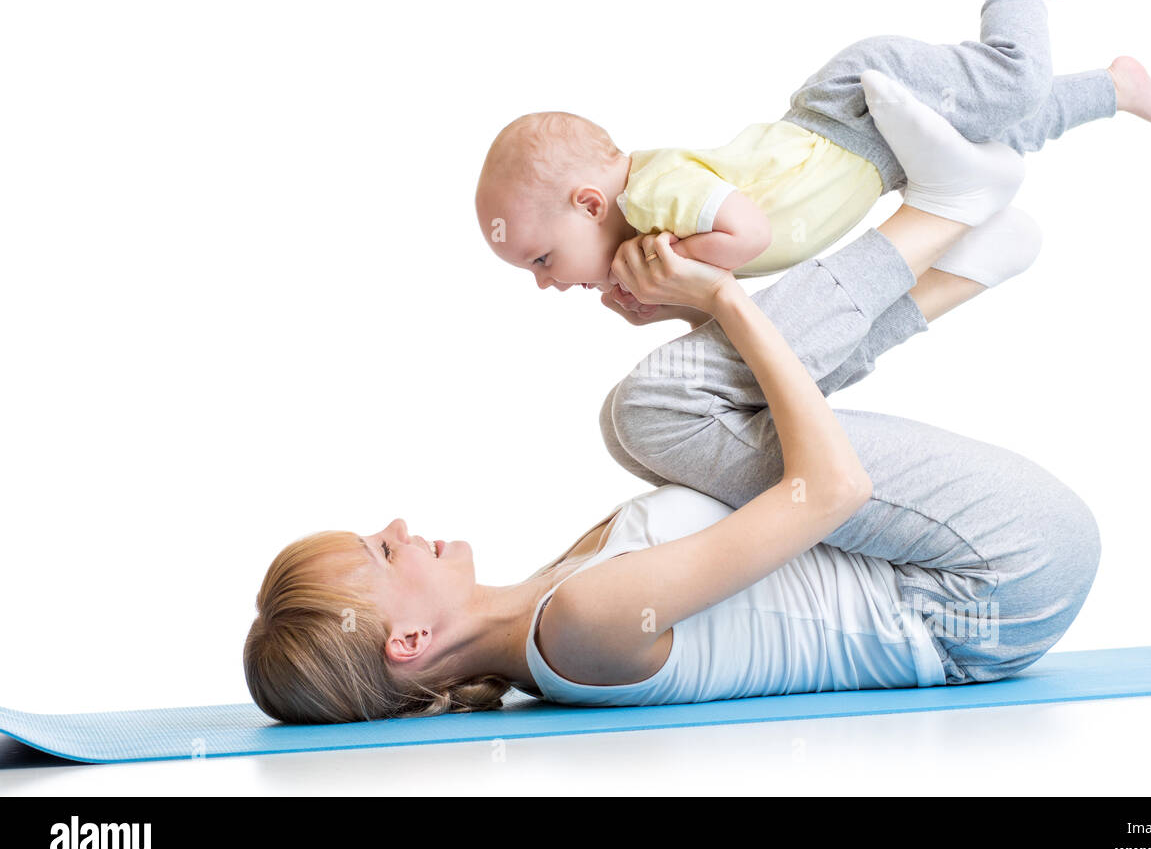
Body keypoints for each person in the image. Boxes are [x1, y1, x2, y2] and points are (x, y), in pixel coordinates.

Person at [243, 73, 1100, 723]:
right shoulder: (580, 623)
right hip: (996, 583)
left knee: (659, 420)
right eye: (381, 553)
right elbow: (833, 491)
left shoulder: (555, 591)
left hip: (975, 578)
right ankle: (944, 213)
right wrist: (718, 297)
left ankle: (945, 269)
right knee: (651, 413)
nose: (397, 527)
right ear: (410, 643)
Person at [474, 0, 1151, 324]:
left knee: (1012, 82)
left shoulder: (651, 190)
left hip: (857, 106)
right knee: (1010, 126)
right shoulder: (645, 228)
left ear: (589, 205)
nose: (546, 282)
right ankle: (1115, 87)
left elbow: (749, 232)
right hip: (878, 155)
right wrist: (668, 298)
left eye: (541, 258)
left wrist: (679, 267)